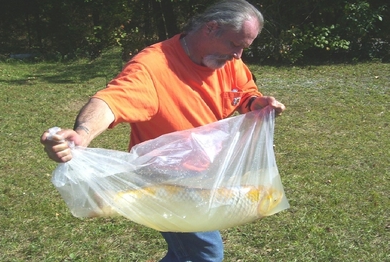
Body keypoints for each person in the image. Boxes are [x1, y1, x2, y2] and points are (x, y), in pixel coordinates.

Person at [41, 0, 285, 261]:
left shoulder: (227, 62)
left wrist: (254, 103)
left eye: (243, 48)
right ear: (211, 28)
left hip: (206, 177)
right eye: (234, 45)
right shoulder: (153, 67)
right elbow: (111, 101)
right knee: (204, 254)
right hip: (165, 182)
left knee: (187, 255)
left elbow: (242, 91)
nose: (238, 55)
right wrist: (83, 133)